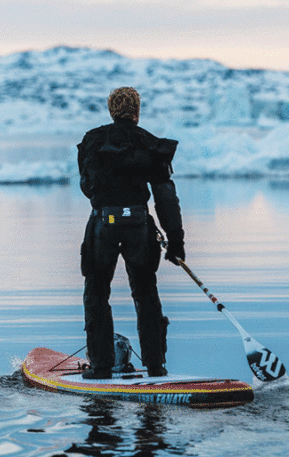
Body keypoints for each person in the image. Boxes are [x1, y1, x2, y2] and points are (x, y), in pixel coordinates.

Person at [77, 86, 185, 379]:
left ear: (111, 110)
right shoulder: (150, 144)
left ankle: (100, 367)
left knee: (97, 294)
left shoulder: (93, 141)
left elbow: (87, 187)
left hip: (103, 225)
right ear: (137, 112)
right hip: (140, 226)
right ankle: (155, 366)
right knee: (146, 293)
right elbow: (165, 196)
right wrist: (175, 240)